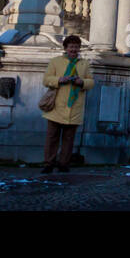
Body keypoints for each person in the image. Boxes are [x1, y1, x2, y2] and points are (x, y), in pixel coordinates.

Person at [41, 35, 93, 174]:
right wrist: (60, 79)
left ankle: (64, 163)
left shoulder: (84, 64)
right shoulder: (56, 61)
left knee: (68, 139)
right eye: (71, 47)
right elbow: (46, 80)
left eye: (76, 47)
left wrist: (81, 82)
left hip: (74, 107)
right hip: (57, 105)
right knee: (52, 137)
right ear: (66, 48)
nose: (74, 50)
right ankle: (49, 163)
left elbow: (91, 82)